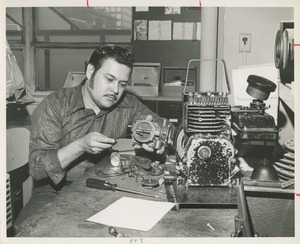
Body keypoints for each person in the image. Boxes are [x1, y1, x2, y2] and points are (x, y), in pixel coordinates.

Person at [15, 44, 171, 224]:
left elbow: (161, 125)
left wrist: (157, 139)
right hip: (55, 191)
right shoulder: (54, 105)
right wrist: (80, 146)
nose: (116, 90)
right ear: (90, 71)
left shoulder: (129, 105)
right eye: (110, 79)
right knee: (30, 230)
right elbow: (37, 169)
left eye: (122, 83)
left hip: (108, 187)